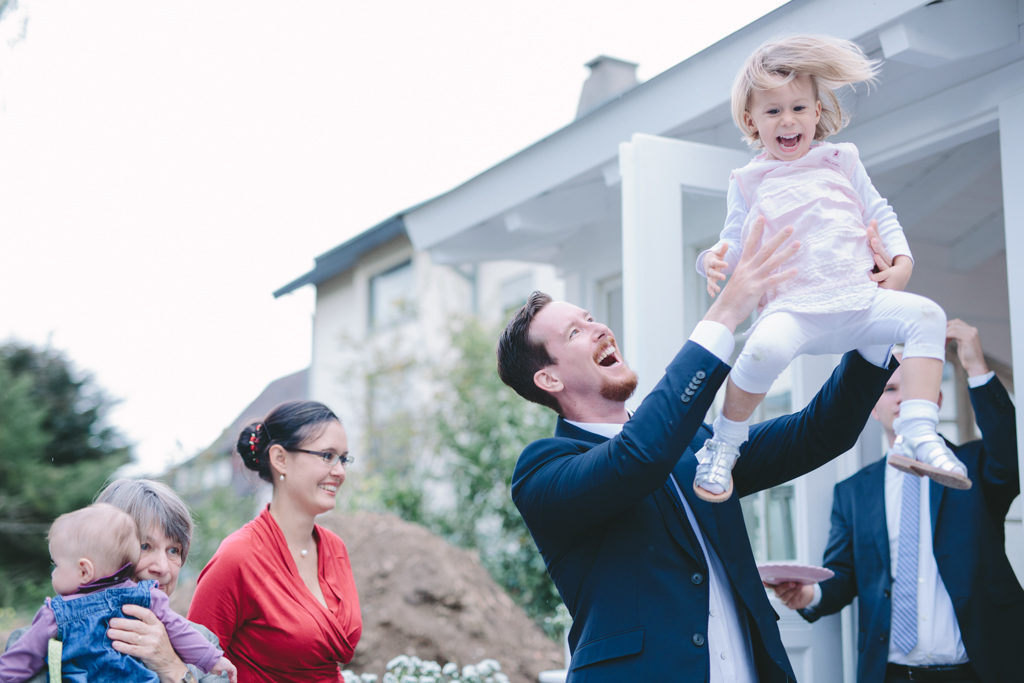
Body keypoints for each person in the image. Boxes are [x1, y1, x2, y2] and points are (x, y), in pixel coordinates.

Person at [495, 220, 897, 682]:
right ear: (549, 379)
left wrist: (876, 322)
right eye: (574, 333)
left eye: (591, 318)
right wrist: (726, 312)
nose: (599, 328)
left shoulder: (699, 446)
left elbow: (819, 433)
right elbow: (638, 457)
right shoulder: (542, 472)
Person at [694, 34, 967, 502]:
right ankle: (724, 444)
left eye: (799, 108)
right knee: (758, 353)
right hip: (794, 309)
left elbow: (879, 212)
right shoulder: (748, 181)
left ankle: (919, 432)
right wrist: (713, 259)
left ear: (817, 113)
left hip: (859, 300)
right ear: (751, 121)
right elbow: (736, 240)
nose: (788, 121)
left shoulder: (842, 160)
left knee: (928, 317)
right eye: (773, 111)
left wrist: (901, 265)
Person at [770, 320, 1023, 683]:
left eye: (914, 388)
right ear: (874, 408)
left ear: (935, 400)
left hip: (978, 670)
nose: (902, 397)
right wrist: (809, 594)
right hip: (889, 675)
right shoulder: (853, 492)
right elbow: (844, 576)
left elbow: (1009, 456)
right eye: (889, 389)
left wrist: (976, 367)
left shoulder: (973, 467)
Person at [187, 400, 362, 683]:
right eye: (327, 456)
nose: (340, 471)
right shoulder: (239, 557)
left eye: (343, 458)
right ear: (280, 458)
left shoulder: (335, 549)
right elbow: (194, 665)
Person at [6, 478, 228, 683]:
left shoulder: (205, 645)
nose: (162, 568)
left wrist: (172, 667)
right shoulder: (41, 642)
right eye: (144, 546)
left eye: (174, 550)